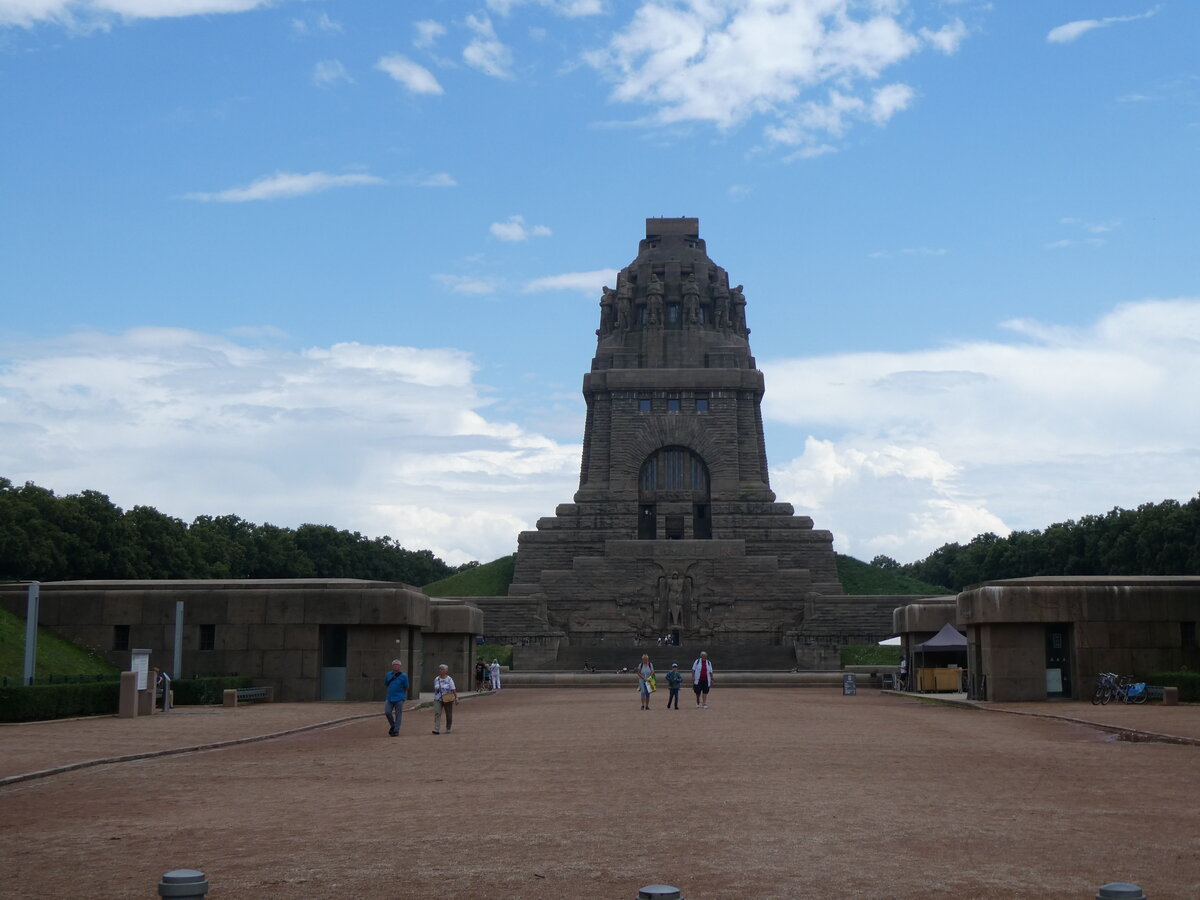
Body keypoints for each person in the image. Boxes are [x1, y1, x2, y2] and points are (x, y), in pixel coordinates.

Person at [383, 659, 409, 737]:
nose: (396, 666)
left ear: (400, 666)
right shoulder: (388, 674)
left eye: (397, 665)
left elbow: (407, 686)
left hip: (399, 698)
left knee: (398, 714)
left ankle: (396, 730)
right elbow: (386, 683)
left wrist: (402, 695)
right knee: (387, 712)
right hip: (390, 697)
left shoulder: (404, 676)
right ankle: (393, 725)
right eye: (394, 664)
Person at [432, 664, 457, 734]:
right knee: (437, 713)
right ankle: (436, 729)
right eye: (440, 669)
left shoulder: (449, 679)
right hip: (438, 698)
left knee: (448, 714)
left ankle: (448, 727)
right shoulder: (436, 679)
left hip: (447, 698)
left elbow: (453, 689)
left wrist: (456, 697)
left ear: (446, 671)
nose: (440, 670)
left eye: (442, 669)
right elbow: (435, 688)